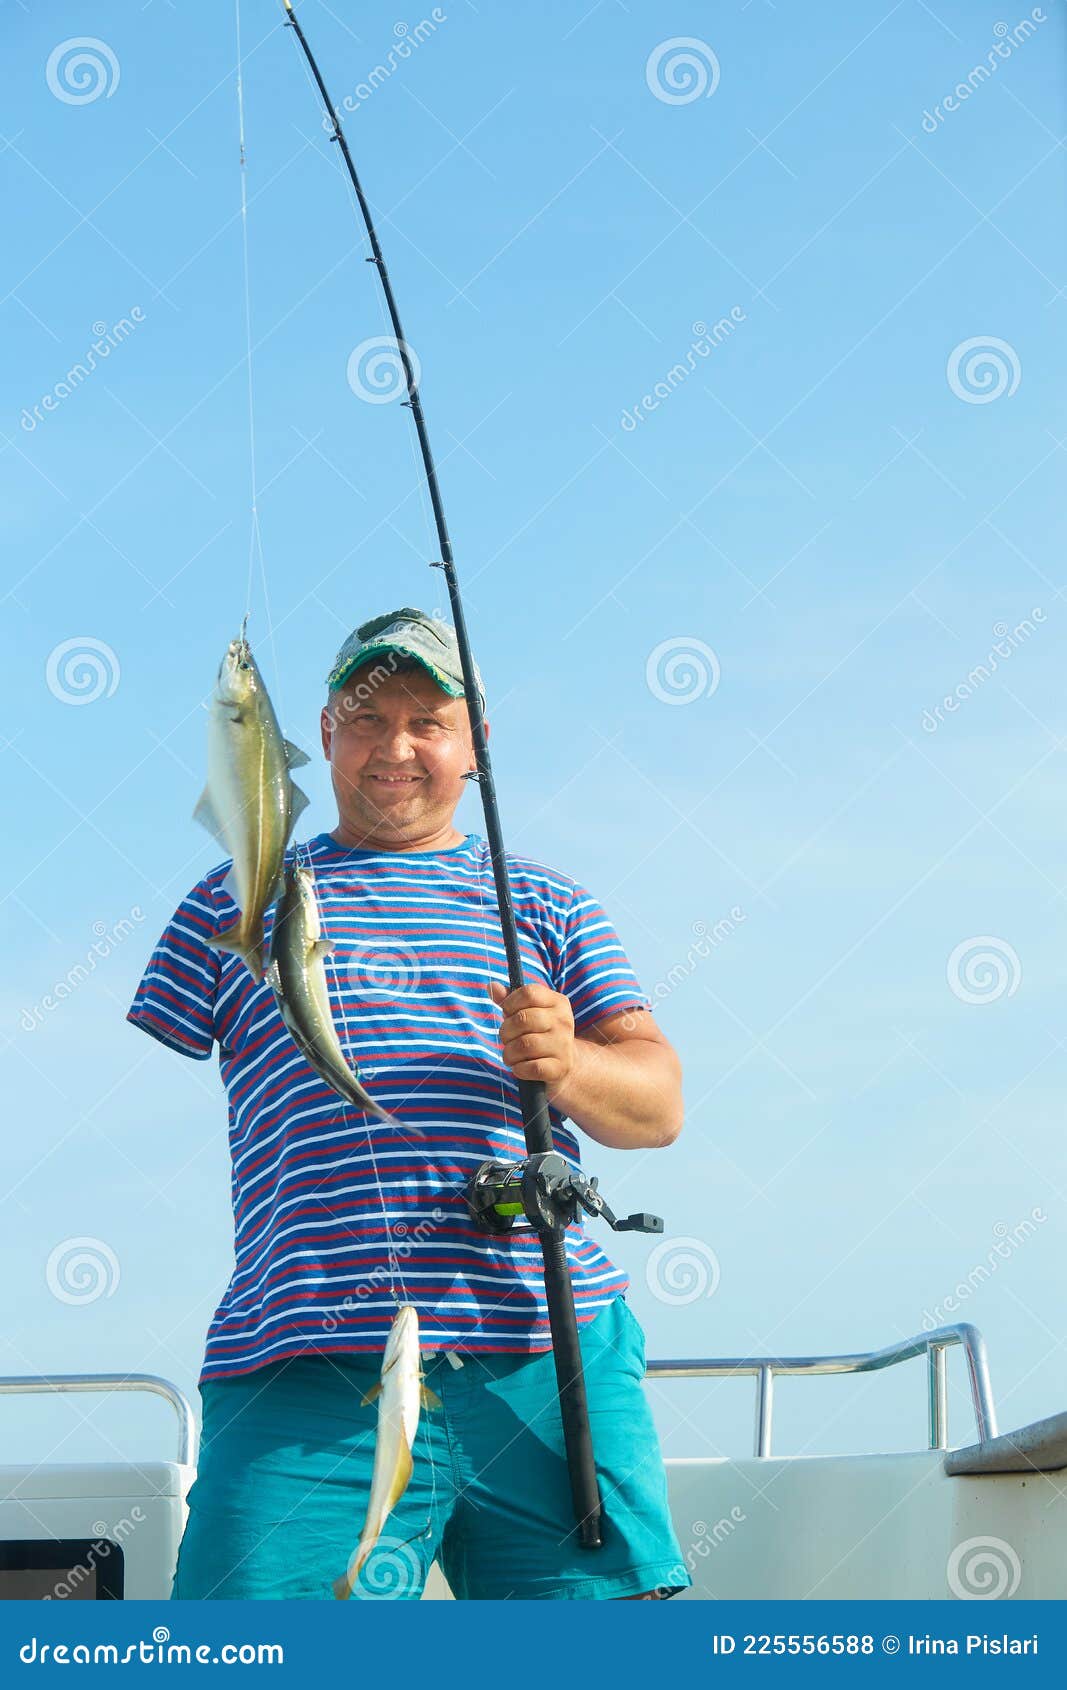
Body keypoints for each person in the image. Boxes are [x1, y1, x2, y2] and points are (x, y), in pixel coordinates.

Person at [127, 607, 689, 1601]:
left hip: (542, 1355)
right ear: (322, 736)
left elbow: (654, 1107)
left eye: (427, 720)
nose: (396, 745)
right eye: (365, 716)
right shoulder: (236, 896)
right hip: (302, 1359)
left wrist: (567, 1064)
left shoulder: (548, 904)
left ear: (474, 744)